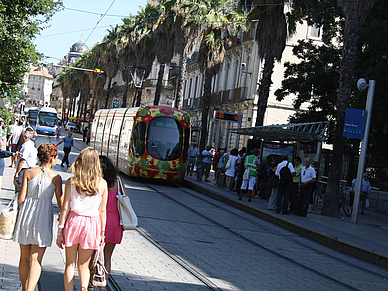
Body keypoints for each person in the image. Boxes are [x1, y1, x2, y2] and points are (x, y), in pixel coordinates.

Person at [56, 147, 108, 291]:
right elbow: (102, 210)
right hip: (92, 224)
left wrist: (60, 231)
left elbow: (65, 207)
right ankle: (84, 288)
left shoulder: (72, 181)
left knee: (70, 264)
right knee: (84, 265)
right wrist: (102, 232)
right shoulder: (102, 184)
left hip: (74, 221)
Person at [13, 143, 63, 291]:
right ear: (52, 158)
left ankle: (24, 288)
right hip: (43, 217)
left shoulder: (28, 173)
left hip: (26, 215)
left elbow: (21, 199)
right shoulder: (56, 178)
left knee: (24, 258)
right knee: (36, 260)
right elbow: (60, 203)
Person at [97, 156, 128, 287]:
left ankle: (90, 282)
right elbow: (125, 200)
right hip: (115, 222)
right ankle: (104, 284)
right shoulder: (119, 182)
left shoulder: (97, 182)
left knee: (94, 255)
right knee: (107, 256)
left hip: (99, 220)